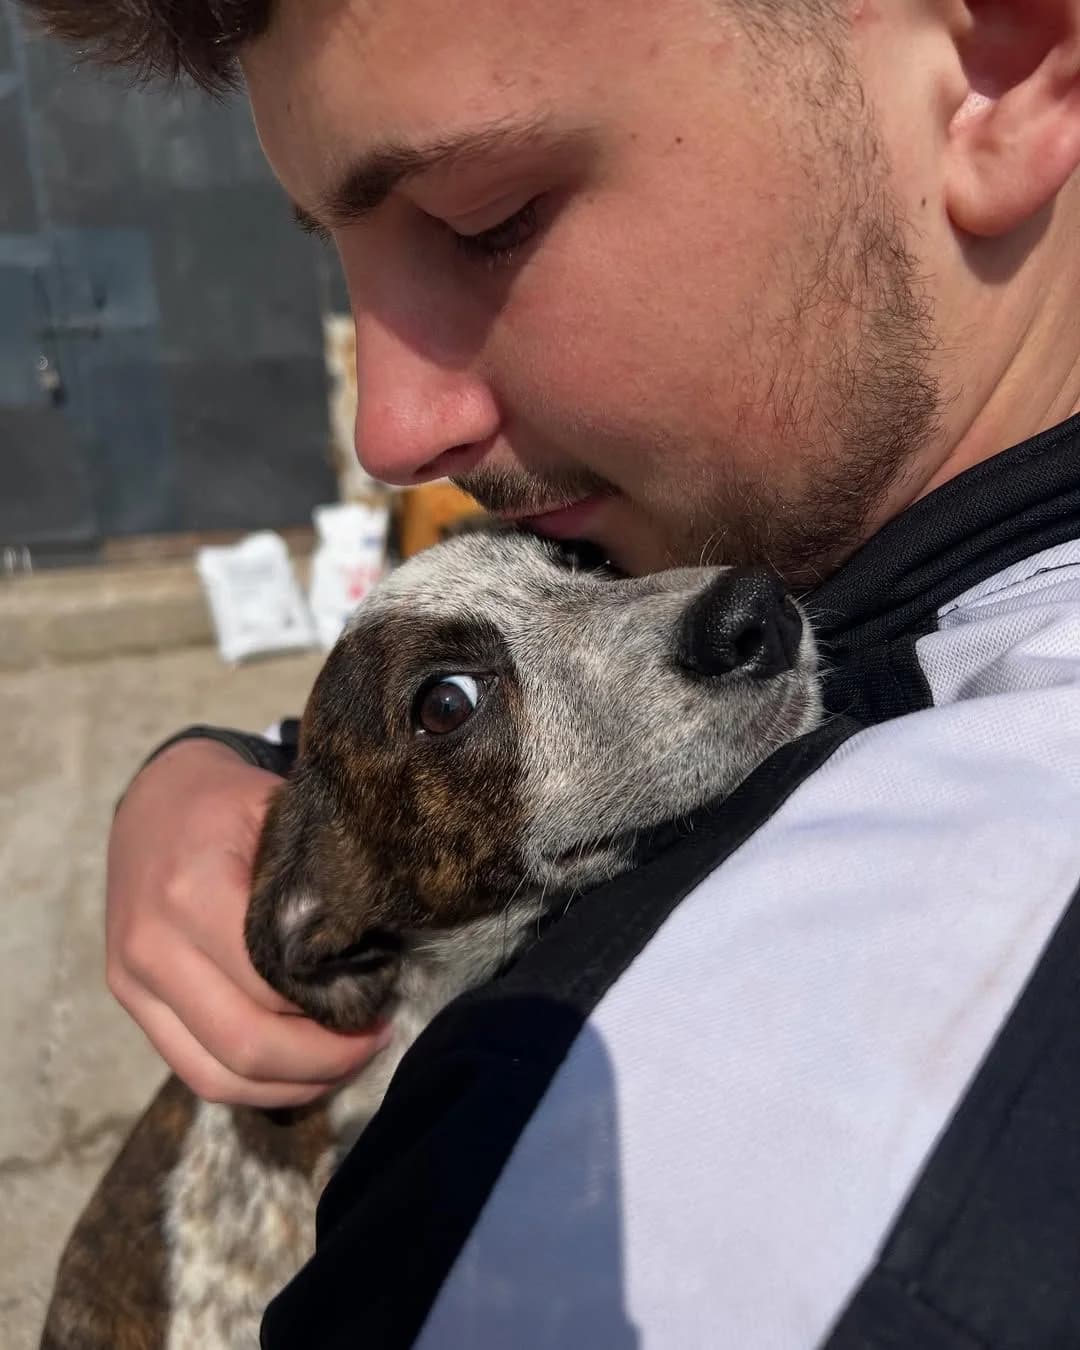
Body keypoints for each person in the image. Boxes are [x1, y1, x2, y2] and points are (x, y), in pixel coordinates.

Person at [22, 0, 1080, 1344]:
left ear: (999, 69)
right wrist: (243, 772)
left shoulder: (535, 1191)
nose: (390, 433)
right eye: (339, 258)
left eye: (486, 220)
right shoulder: (813, 556)